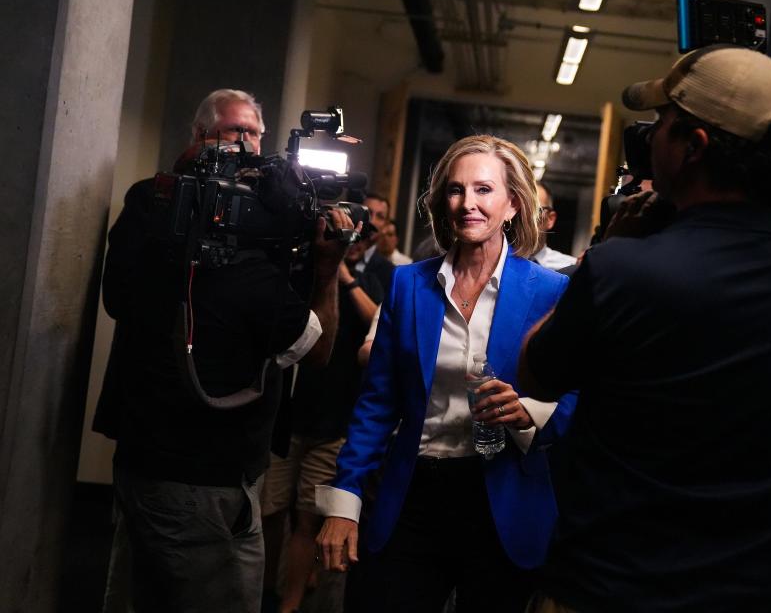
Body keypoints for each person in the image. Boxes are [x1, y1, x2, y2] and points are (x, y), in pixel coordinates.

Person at [518, 45, 771, 612]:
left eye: (663, 124)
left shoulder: (623, 269)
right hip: (746, 590)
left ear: (693, 149)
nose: (651, 137)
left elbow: (536, 371)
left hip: (608, 586)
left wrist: (605, 254)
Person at [93, 88, 356, 613]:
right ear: (198, 139)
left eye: (255, 133)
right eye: (234, 132)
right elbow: (121, 298)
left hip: (212, 461)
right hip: (184, 458)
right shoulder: (157, 202)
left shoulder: (266, 229)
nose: (247, 144)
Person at [316, 135, 578, 613]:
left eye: (483, 190)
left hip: (503, 498)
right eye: (456, 191)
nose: (468, 204)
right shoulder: (408, 285)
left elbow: (582, 396)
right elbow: (377, 403)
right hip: (415, 494)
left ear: (512, 205)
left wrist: (531, 412)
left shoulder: (552, 291)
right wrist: (344, 501)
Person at [261, 226, 389, 613]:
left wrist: (343, 276)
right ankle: (263, 593)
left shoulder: (369, 282)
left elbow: (376, 329)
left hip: (334, 424)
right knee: (269, 511)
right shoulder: (305, 273)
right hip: (288, 419)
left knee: (308, 521)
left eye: (357, 241)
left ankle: (291, 603)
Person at [530, 184, 577, 270]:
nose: (524, 217)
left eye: (535, 210)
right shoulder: (499, 264)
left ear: (550, 219)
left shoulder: (570, 268)